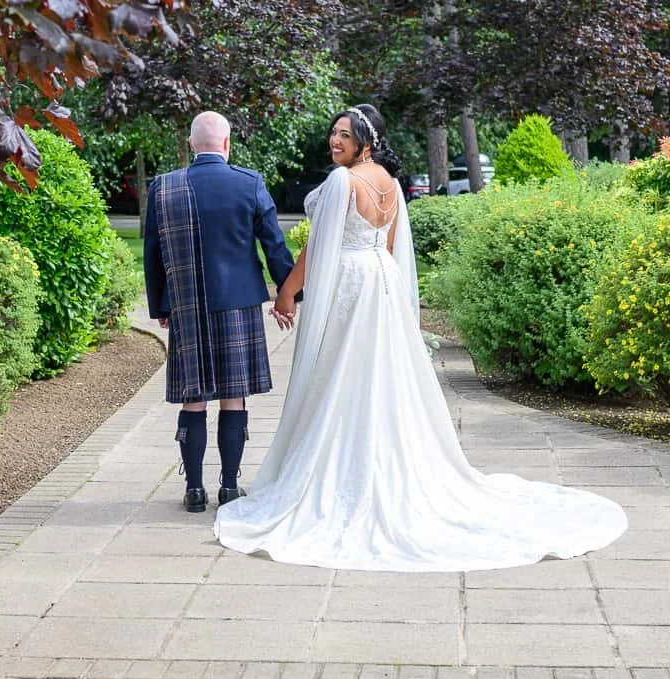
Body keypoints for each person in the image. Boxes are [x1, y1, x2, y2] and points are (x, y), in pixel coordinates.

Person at [215, 103, 628, 570]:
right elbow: (390, 247)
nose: (335, 141)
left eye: (345, 136)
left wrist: (287, 291)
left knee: (340, 375)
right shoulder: (389, 183)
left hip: (351, 281)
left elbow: (319, 246)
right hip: (382, 283)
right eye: (333, 133)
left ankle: (340, 472)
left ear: (365, 142)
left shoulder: (343, 181)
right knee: (378, 376)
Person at [144, 110, 295, 513]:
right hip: (238, 304)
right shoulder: (249, 184)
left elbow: (153, 255)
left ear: (193, 145)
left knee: (194, 399)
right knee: (234, 397)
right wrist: (289, 294)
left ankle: (194, 490)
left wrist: (161, 305)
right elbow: (274, 246)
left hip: (188, 305)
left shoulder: (164, 187)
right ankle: (229, 487)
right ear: (227, 144)